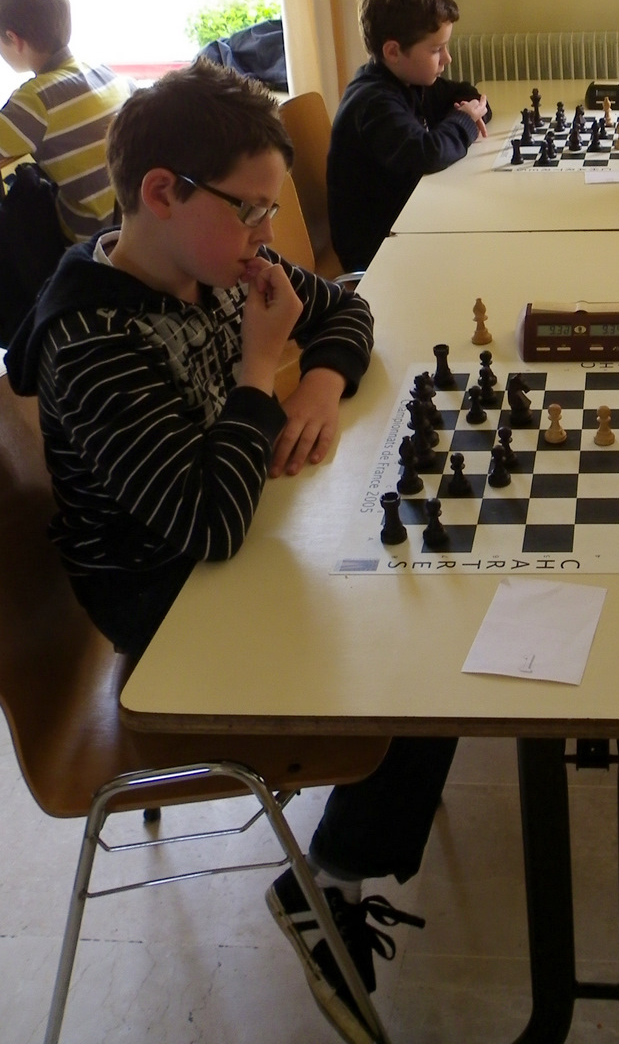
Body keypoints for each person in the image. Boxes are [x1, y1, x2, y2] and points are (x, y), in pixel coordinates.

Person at [5, 60, 456, 1044]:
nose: (266, 236)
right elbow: (208, 525)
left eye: (271, 211)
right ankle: (323, 886)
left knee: (438, 597)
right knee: (426, 663)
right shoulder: (93, 340)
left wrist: (317, 384)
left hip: (239, 553)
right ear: (162, 193)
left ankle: (352, 854)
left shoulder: (212, 267)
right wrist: (259, 371)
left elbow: (346, 309)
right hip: (163, 606)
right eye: (250, 210)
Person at [327, 0, 490, 271]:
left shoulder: (409, 80)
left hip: (407, 219)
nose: (447, 59)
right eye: (436, 50)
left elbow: (467, 95)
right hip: (378, 250)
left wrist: (471, 111)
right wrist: (465, 119)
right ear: (393, 52)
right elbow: (427, 153)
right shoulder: (373, 102)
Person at [0, 0, 128, 345]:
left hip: (88, 242)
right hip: (129, 225)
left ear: (14, 39)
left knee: (17, 199)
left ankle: (29, 335)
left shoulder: (35, 100)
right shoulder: (105, 72)